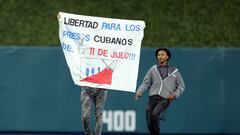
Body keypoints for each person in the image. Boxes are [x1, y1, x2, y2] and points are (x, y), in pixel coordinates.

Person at [135, 48, 185, 135]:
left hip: (165, 99)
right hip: (152, 99)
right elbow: (145, 83)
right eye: (158, 55)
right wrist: (140, 91)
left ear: (167, 57)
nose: (160, 56)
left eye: (162, 54)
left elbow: (181, 86)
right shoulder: (153, 69)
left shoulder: (175, 71)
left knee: (155, 114)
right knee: (149, 123)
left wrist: (174, 95)